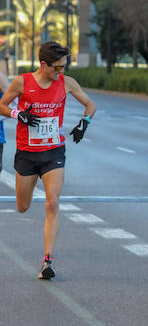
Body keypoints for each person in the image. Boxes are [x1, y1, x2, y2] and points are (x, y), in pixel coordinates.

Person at [0, 41, 96, 279]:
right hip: (27, 153)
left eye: (63, 67)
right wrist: (18, 113)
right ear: (43, 65)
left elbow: (90, 104)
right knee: (23, 206)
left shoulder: (67, 82)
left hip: (54, 151)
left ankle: (47, 260)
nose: (60, 72)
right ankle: (45, 254)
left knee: (52, 202)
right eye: (56, 68)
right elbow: (1, 104)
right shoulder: (22, 82)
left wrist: (84, 124)